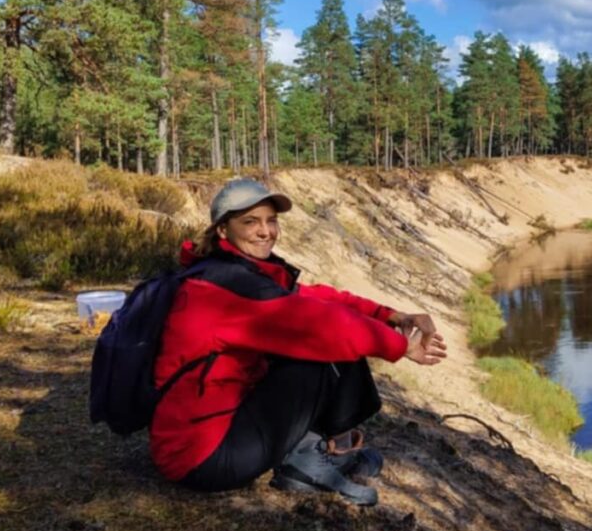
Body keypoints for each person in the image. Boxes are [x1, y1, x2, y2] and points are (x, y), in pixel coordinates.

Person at [150, 178, 446, 506]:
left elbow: (318, 299)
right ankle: (317, 460)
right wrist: (401, 346)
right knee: (326, 348)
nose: (266, 231)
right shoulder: (228, 287)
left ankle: (321, 447)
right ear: (222, 230)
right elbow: (325, 325)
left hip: (204, 434)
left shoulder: (231, 272)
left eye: (271, 220)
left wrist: (391, 315)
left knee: (325, 337)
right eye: (250, 222)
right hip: (204, 459)